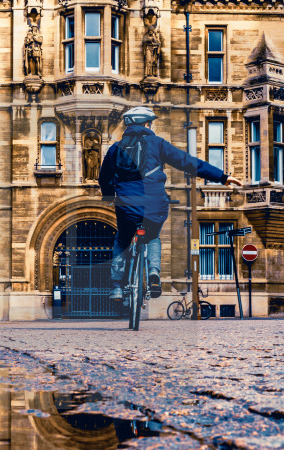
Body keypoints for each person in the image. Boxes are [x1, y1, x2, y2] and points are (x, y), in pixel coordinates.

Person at [99, 106, 238, 304]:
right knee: (153, 236)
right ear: (147, 124)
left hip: (127, 205)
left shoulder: (115, 148)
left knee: (122, 239)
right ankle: (154, 273)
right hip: (155, 203)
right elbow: (187, 161)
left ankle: (116, 287)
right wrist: (222, 177)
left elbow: (104, 177)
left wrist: (108, 196)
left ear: (129, 125)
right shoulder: (157, 144)